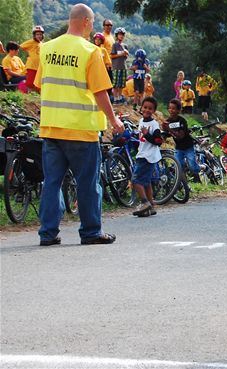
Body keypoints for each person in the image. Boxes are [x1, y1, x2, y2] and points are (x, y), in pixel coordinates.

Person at [34, 3, 124, 246]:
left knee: (52, 182)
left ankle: (48, 233)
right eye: (93, 22)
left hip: (51, 127)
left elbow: (40, 84)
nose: (93, 26)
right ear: (85, 21)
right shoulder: (90, 51)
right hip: (81, 130)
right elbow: (100, 91)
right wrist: (113, 119)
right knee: (87, 182)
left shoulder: (46, 49)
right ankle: (91, 232)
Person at [131, 96, 163, 217]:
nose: (147, 110)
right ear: (141, 108)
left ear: (154, 111)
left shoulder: (154, 124)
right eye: (145, 107)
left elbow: (158, 141)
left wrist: (147, 135)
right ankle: (151, 206)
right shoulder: (141, 121)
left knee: (135, 180)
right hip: (142, 153)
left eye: (150, 108)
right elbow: (141, 138)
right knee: (146, 181)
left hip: (148, 156)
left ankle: (145, 203)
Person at [162, 98, 201, 183]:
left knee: (192, 166)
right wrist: (164, 129)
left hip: (188, 146)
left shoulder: (182, 121)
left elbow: (181, 136)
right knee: (179, 166)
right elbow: (165, 135)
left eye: (173, 108)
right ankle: (184, 183)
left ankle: (201, 169)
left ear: (178, 110)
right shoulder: (168, 121)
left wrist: (169, 129)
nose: (171, 110)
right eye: (169, 108)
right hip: (178, 147)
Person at [20, 26, 44, 92]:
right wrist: (28, 53)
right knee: (30, 83)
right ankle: (26, 93)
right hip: (31, 66)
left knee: (38, 83)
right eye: (37, 34)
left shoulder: (42, 44)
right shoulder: (31, 42)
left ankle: (34, 95)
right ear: (34, 35)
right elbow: (21, 46)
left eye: (40, 34)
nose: (39, 36)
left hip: (39, 67)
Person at [110, 27, 129, 104]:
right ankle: (115, 98)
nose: (121, 36)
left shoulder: (125, 46)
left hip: (123, 67)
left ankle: (120, 97)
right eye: (120, 34)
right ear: (117, 35)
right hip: (116, 67)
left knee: (121, 84)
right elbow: (112, 56)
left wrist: (125, 54)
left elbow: (126, 56)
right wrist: (121, 54)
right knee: (115, 84)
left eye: (122, 35)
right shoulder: (115, 45)